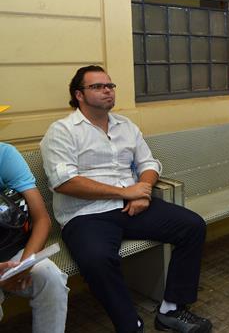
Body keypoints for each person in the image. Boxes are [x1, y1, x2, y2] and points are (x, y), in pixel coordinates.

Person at [40, 66, 212, 333]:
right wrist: (125, 192)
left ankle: (171, 309)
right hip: (86, 215)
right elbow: (64, 182)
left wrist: (143, 189)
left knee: (192, 226)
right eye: (97, 86)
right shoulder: (62, 131)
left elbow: (150, 163)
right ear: (79, 95)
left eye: (110, 85)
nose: (107, 90)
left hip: (132, 206)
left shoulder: (126, 126)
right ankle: (129, 324)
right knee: (97, 259)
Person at [0, 141, 68, 333]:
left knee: (49, 276)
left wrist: (22, 266)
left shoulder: (4, 154)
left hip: (10, 249)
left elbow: (41, 219)